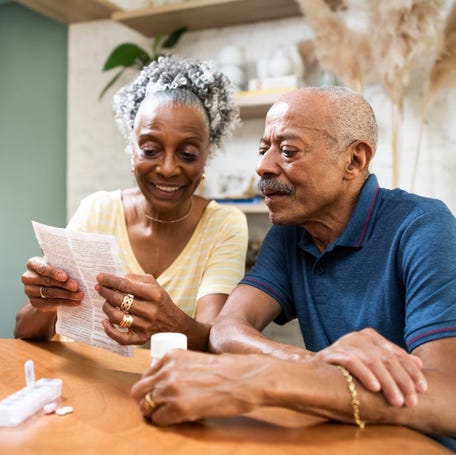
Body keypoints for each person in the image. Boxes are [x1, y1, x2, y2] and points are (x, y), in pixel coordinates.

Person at [131, 86, 456, 449]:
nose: (263, 166)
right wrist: (316, 365)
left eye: (287, 151)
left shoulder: (424, 227)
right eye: (263, 149)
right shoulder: (290, 234)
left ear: (354, 161)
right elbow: (225, 330)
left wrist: (260, 379)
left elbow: (448, 398)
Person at [14, 55, 248, 351]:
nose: (167, 168)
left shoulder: (223, 225)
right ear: (132, 148)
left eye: (187, 154)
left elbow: (214, 341)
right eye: (150, 150)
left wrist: (170, 320)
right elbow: (24, 331)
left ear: (206, 156)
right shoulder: (97, 211)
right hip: (85, 383)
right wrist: (44, 300)